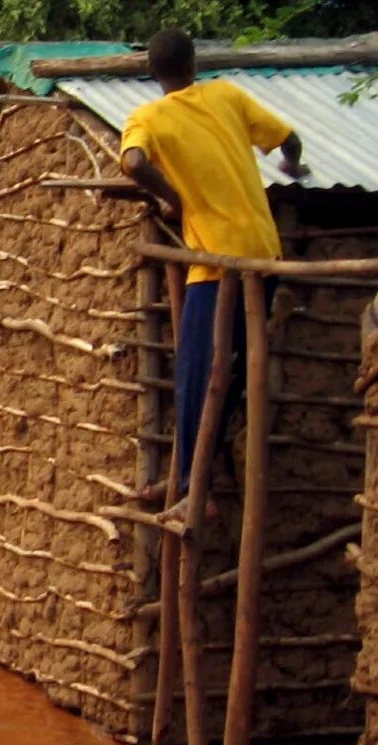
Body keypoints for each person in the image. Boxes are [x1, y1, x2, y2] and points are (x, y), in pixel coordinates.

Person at [120, 28, 307, 518]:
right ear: (194, 62)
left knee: (197, 378)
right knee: (228, 376)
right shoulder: (226, 95)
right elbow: (291, 139)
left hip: (217, 265)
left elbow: (134, 162)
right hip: (264, 256)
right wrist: (293, 167)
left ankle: (190, 490)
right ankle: (190, 480)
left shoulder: (149, 117)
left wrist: (173, 198)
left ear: (151, 72)